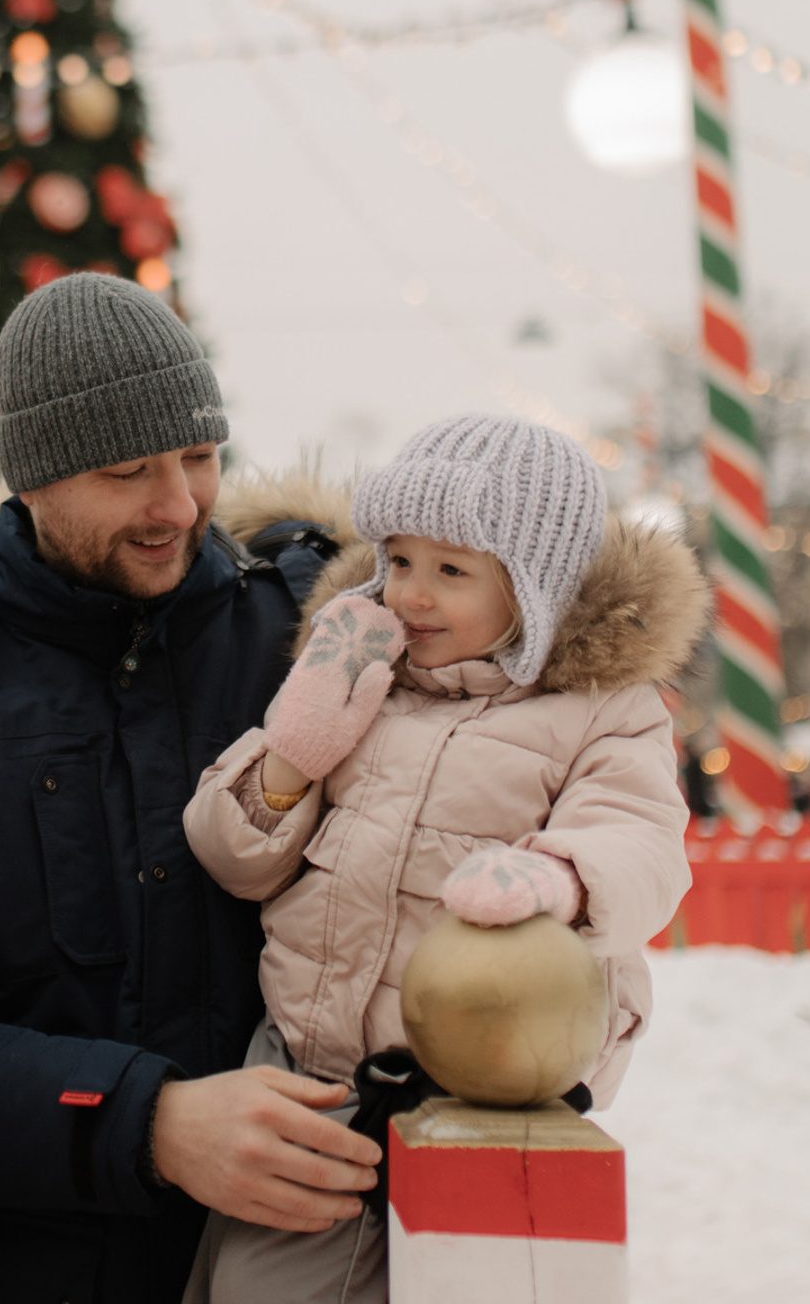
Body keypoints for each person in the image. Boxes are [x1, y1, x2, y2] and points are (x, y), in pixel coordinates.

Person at [0, 274, 382, 1304]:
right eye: (127, 471)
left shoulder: (308, 632)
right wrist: (148, 1124)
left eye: (199, 456)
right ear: (34, 477)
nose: (179, 504)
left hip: (290, 1257)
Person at [182, 413, 702, 1302]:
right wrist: (293, 751)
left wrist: (558, 878)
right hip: (308, 1070)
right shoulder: (365, 680)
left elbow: (641, 838)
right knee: (241, 1279)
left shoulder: (602, 709)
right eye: (399, 561)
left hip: (475, 1088)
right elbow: (236, 863)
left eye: (452, 571)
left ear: (534, 588)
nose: (411, 595)